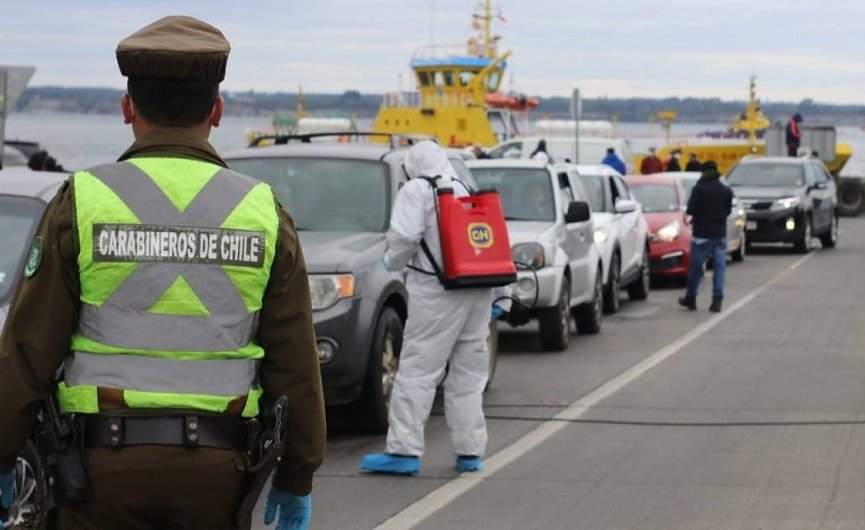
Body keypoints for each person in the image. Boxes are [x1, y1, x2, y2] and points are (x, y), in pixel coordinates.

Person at [0, 16, 325, 530]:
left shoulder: (81, 202)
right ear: (216, 112)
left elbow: (28, 348)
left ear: (128, 108)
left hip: (98, 471)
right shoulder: (262, 212)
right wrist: (298, 473)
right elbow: (295, 361)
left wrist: (2, 455)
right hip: (219, 471)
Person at [360, 141, 510, 476]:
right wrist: (500, 295)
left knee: (418, 370)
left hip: (437, 294)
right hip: (477, 292)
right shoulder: (465, 188)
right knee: (469, 376)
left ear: (413, 166)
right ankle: (470, 451)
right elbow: (491, 243)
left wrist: (391, 262)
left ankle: (403, 451)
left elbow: (404, 237)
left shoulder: (418, 190)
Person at [678, 161, 734, 313]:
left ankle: (691, 298)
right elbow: (728, 211)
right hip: (719, 235)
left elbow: (691, 210)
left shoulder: (699, 189)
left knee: (695, 268)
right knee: (719, 268)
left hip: (701, 235)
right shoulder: (726, 191)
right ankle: (717, 300)